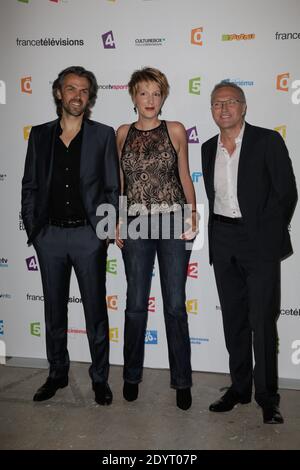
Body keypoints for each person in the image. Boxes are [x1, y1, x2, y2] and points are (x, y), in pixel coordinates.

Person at [21, 66, 120, 405]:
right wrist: (36, 231)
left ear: (89, 97)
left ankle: (100, 379)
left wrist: (102, 233)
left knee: (95, 311)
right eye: (71, 89)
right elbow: (30, 185)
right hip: (49, 238)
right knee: (54, 312)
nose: (77, 95)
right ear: (58, 93)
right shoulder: (39, 134)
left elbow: (111, 187)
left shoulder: (103, 135)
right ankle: (57, 374)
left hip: (88, 237)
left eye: (83, 90)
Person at [201, 82, 297, 424]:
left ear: (244, 107)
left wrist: (266, 238)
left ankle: (267, 398)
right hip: (223, 240)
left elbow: (286, 193)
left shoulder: (267, 141)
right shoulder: (208, 147)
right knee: (234, 321)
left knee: (262, 322)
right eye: (216, 103)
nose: (223, 108)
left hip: (259, 244)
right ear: (211, 111)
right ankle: (239, 388)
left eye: (230, 102)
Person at [116, 67, 198, 410]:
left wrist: (193, 212)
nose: (150, 100)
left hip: (172, 222)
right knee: (135, 304)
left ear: (163, 98)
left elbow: (184, 176)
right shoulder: (121, 133)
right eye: (143, 93)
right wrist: (117, 221)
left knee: (176, 306)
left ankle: (181, 381)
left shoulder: (175, 130)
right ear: (133, 97)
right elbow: (120, 183)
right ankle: (131, 376)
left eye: (156, 93)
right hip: (134, 223)